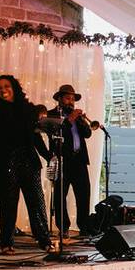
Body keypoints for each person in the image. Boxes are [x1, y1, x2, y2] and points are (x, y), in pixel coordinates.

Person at [0, 75, 54, 255]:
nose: (3, 90)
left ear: (14, 88)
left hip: (29, 161)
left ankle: (44, 240)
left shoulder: (28, 109)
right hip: (6, 161)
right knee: (8, 204)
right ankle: (7, 242)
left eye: (6, 86)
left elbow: (35, 137)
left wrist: (48, 155)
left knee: (37, 202)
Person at [46, 84, 93, 237]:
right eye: (67, 98)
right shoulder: (51, 115)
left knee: (84, 194)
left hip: (79, 160)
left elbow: (87, 134)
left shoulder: (77, 116)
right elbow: (54, 133)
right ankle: (63, 228)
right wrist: (69, 120)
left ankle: (84, 227)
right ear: (59, 99)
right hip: (61, 160)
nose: (71, 102)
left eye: (73, 99)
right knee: (60, 195)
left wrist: (80, 120)